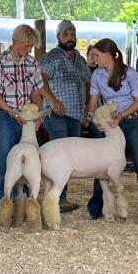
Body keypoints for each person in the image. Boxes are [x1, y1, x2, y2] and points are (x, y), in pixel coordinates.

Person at [85, 38, 138, 219]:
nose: (94, 59)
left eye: (97, 55)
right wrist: (92, 117)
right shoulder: (96, 75)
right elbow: (93, 100)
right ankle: (96, 209)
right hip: (108, 124)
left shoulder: (130, 74)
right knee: (101, 165)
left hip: (130, 121)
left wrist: (121, 115)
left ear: (109, 55)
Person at [0, 24, 51, 209]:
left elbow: (37, 92)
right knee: (6, 161)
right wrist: (13, 112)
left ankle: (21, 206)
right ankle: (4, 207)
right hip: (7, 117)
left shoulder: (31, 63)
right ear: (16, 41)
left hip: (28, 118)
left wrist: (38, 114)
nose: (29, 49)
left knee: (30, 162)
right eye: (26, 45)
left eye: (31, 46)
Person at [39, 20, 91, 212]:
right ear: (58, 37)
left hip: (76, 114)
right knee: (60, 155)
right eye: (66, 35)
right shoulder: (50, 57)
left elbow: (87, 82)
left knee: (71, 157)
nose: (70, 38)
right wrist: (52, 101)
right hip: (56, 113)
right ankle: (55, 198)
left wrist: (86, 107)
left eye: (72, 34)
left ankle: (61, 197)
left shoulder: (80, 59)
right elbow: (40, 80)